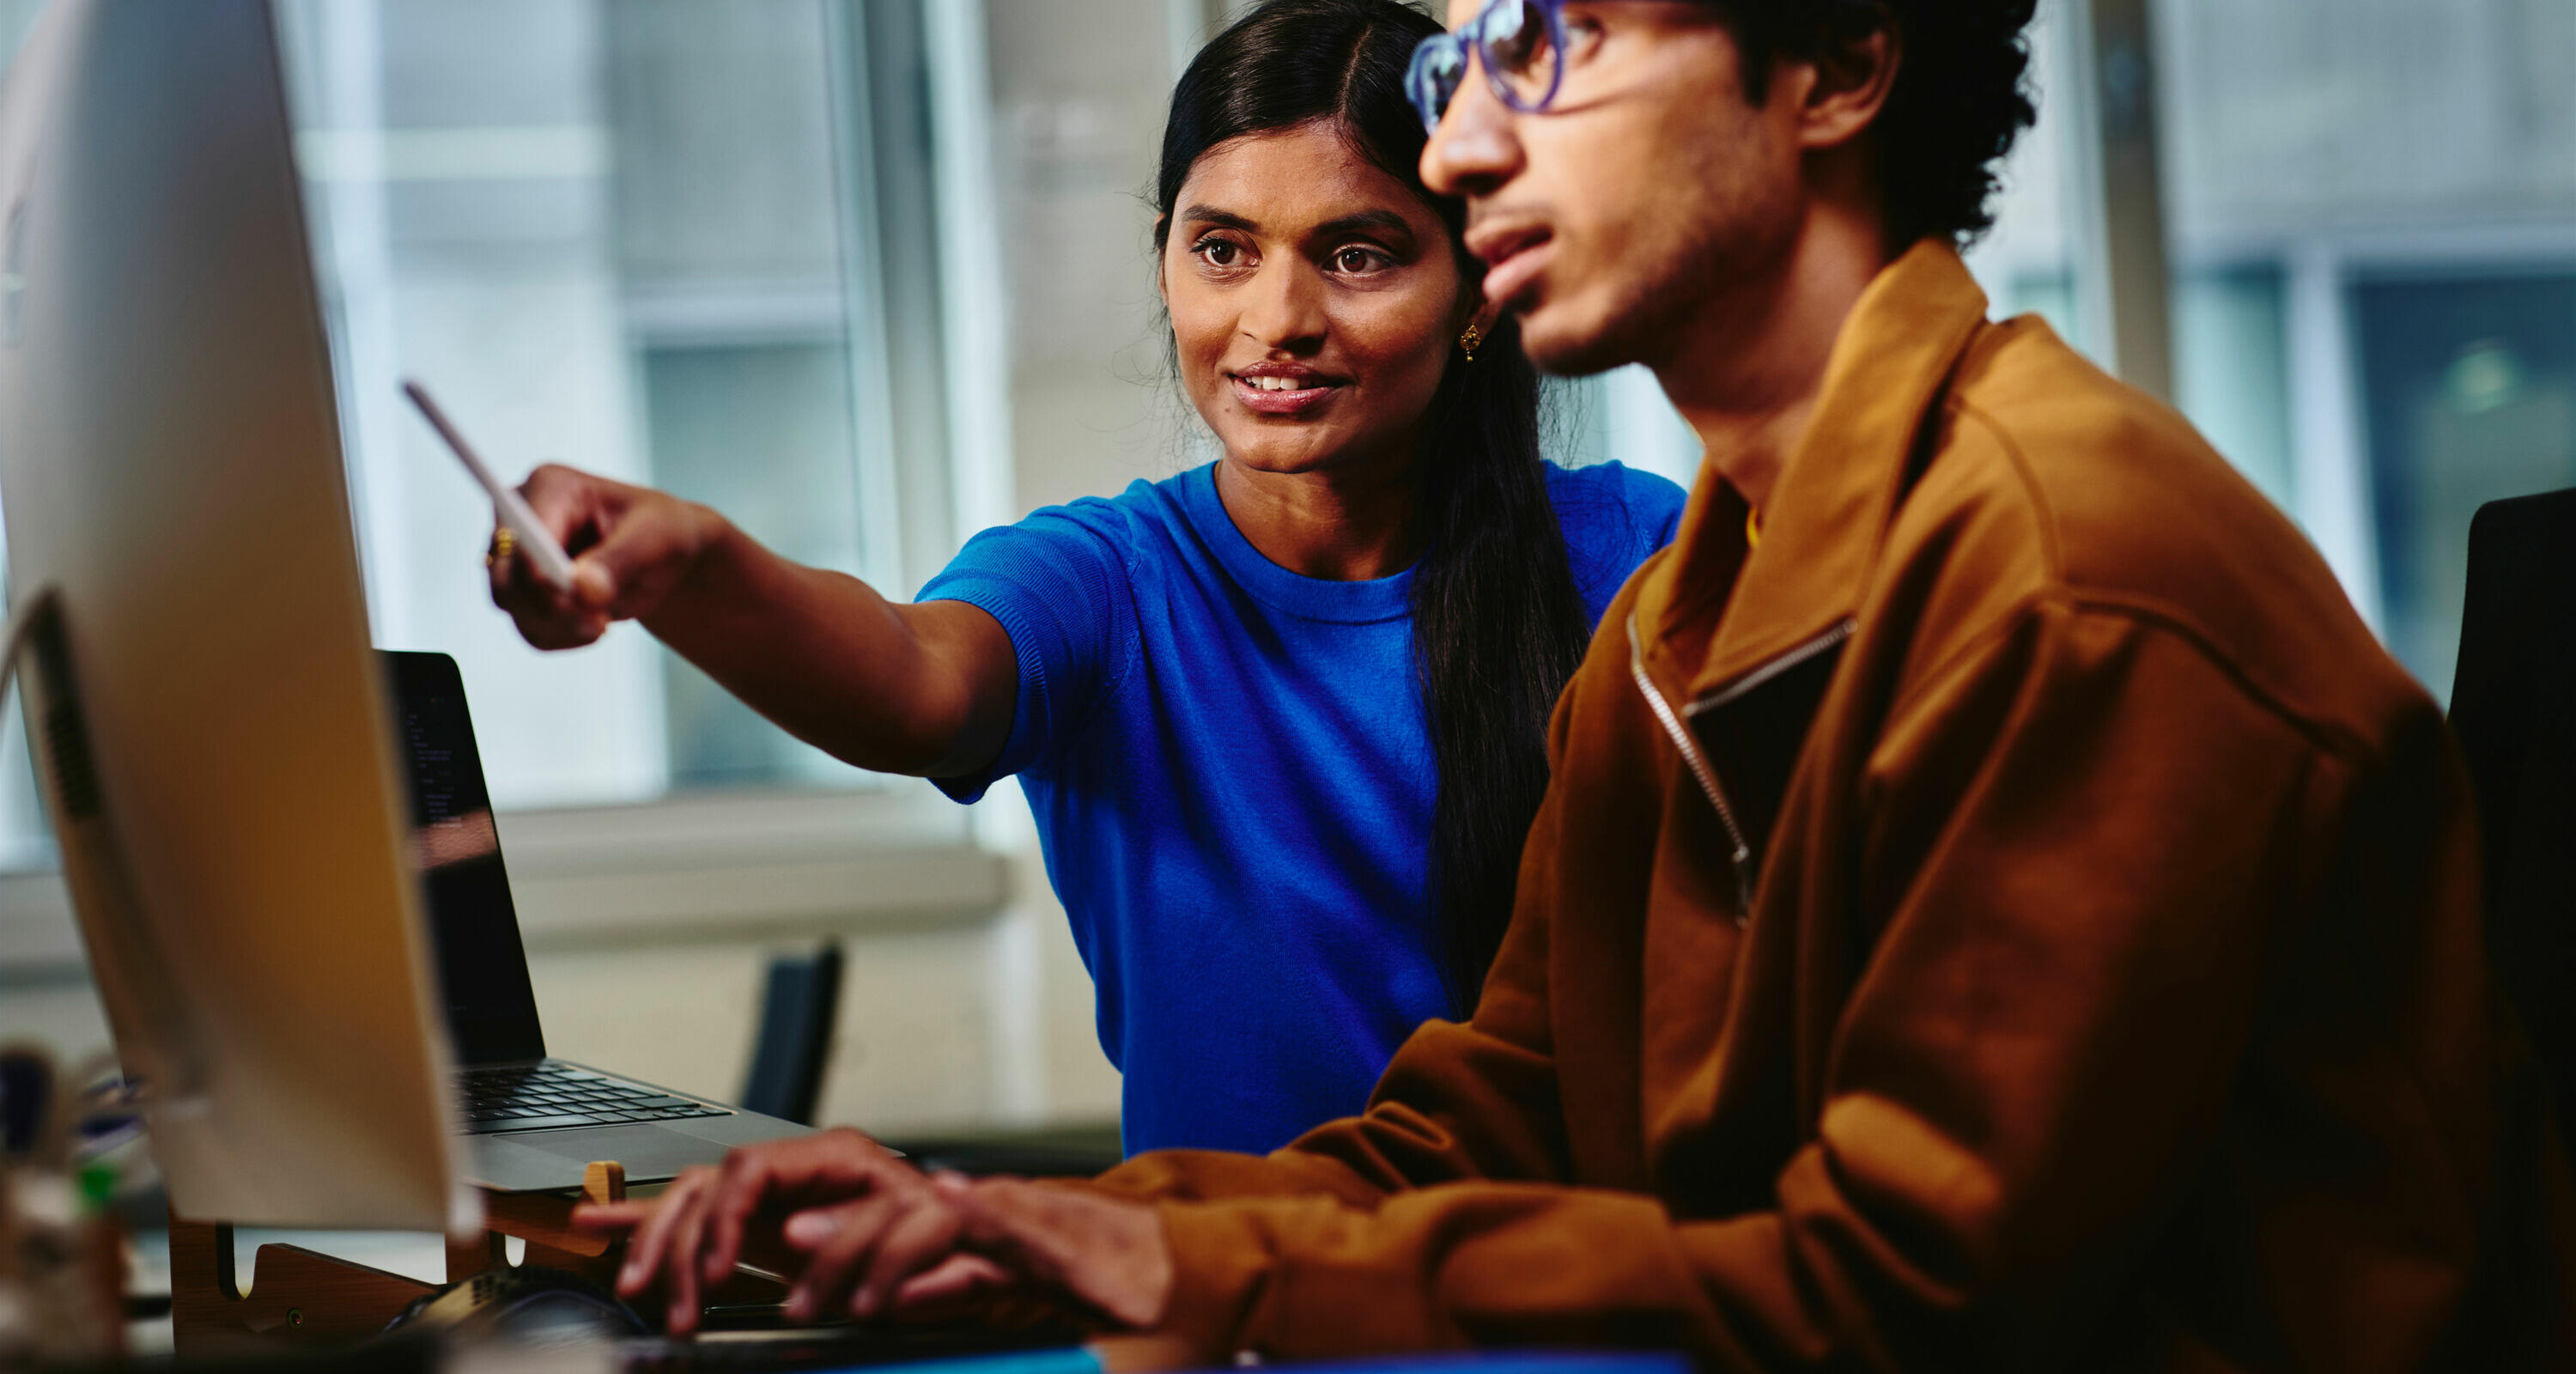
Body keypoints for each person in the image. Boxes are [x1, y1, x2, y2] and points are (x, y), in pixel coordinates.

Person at [580, 0, 2576, 1364]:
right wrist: (1078, 1226)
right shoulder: (1708, 591)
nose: (1465, 131)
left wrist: (1197, 1263)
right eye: (1478, 55)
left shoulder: (2064, 574)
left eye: (1565, 41)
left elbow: (1909, 1302)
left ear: (1836, 67)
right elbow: (1503, 1107)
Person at [489, 0, 1684, 1164]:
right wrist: (694, 564)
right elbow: (911, 681)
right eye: (1223, 249)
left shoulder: (1637, 553)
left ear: (1476, 287)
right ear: (1166, 269)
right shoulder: (1106, 584)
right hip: (1211, 1323)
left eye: (1356, 254)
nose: (1277, 319)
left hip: (1567, 1306)